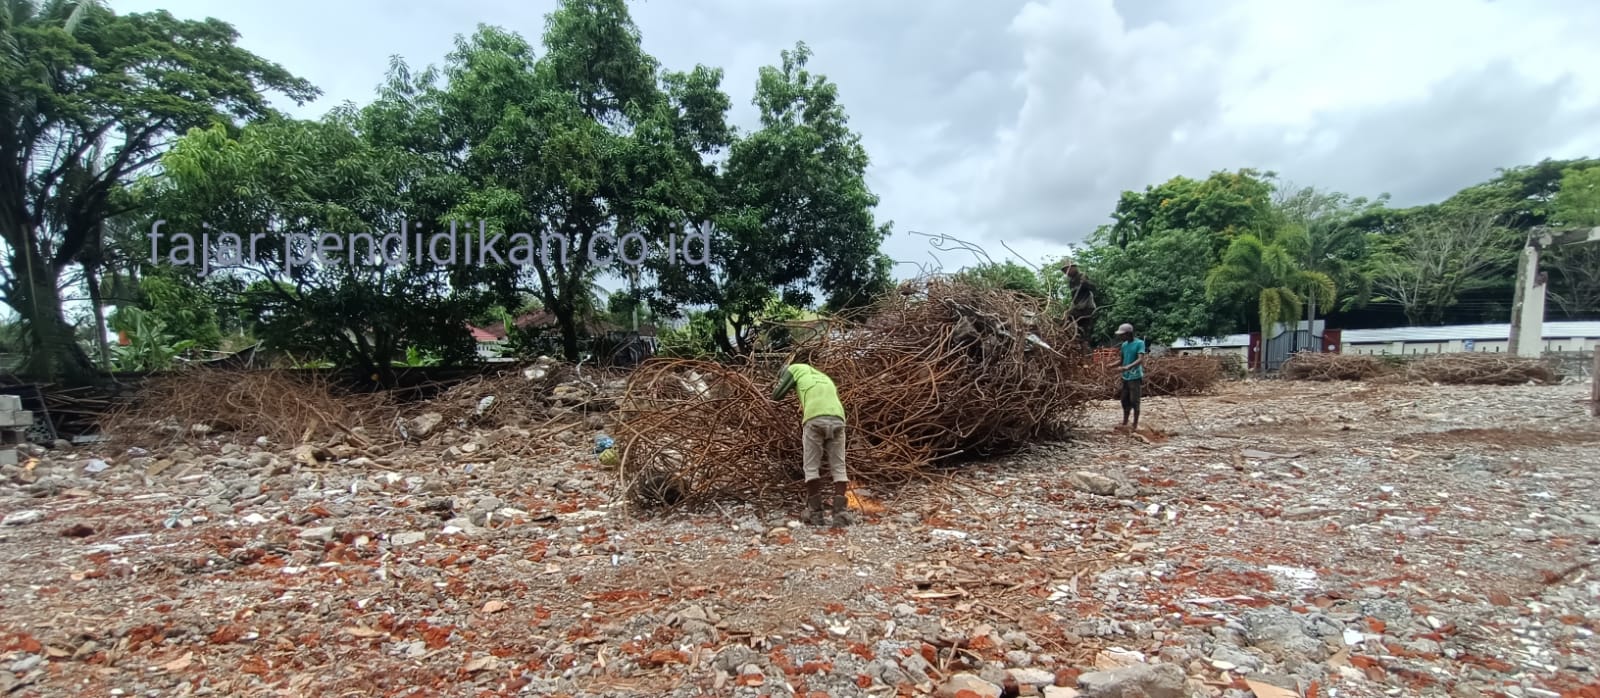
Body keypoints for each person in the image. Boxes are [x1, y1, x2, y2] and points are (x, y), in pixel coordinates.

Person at [771, 350, 851, 526]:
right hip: (838, 419)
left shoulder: (794, 369)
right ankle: (841, 514)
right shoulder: (821, 376)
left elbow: (776, 395)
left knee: (811, 467)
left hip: (815, 419)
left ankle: (815, 514)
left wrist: (780, 385)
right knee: (839, 466)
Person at [1114, 323, 1147, 432]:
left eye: (1122, 335)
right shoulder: (1124, 345)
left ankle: (1135, 424)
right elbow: (1121, 360)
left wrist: (1128, 367)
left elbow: (1140, 359)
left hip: (1135, 376)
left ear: (1129, 334)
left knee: (1134, 400)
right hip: (1126, 377)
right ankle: (1125, 422)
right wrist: (1111, 365)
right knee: (1124, 400)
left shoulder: (1140, 343)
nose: (1121, 337)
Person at [1060, 259, 1097, 340]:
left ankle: (1084, 341)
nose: (1067, 272)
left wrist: (1085, 283)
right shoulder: (1071, 282)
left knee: (1084, 329)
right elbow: (1074, 297)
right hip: (1078, 308)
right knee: (1069, 320)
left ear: (1074, 268)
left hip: (1087, 308)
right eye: (1065, 271)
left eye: (1068, 270)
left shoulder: (1082, 276)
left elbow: (1093, 287)